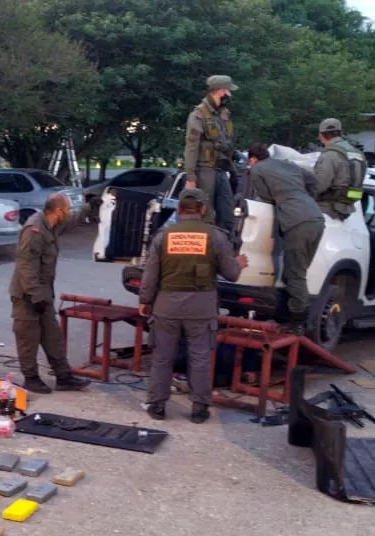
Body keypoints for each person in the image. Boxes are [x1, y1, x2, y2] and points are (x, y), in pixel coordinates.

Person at [138, 189, 248, 423]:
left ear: (178, 210)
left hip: (166, 307)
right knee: (199, 358)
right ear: (203, 209)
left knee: (162, 357)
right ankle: (199, 409)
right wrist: (238, 263)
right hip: (202, 309)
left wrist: (145, 301)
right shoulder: (216, 236)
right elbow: (231, 274)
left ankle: (157, 406)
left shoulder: (163, 236)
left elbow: (149, 276)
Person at [9, 193, 94, 394]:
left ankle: (63, 377)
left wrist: (89, 208)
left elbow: (70, 223)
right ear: (58, 211)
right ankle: (31, 378)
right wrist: (35, 295)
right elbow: (26, 265)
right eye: (67, 210)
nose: (68, 213)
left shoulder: (51, 224)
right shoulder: (34, 229)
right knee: (28, 338)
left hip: (43, 293)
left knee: (52, 336)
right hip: (27, 295)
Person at [245, 143, 325, 331]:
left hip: (296, 221)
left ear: (252, 159)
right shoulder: (287, 164)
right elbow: (314, 182)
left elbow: (265, 199)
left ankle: (298, 322)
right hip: (315, 217)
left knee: (294, 274)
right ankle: (293, 316)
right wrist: (304, 198)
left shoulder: (257, 169)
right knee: (299, 271)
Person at [183, 75, 238, 235]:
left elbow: (226, 143)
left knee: (227, 214)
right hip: (205, 170)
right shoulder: (198, 115)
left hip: (221, 169)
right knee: (206, 214)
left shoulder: (223, 114)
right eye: (228, 91)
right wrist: (191, 177)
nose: (229, 95)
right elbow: (191, 147)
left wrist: (233, 169)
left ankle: (225, 247)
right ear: (220, 91)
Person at [312, 118, 368, 220]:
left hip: (327, 211)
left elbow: (318, 186)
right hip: (348, 210)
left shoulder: (329, 155)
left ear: (321, 135)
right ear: (341, 133)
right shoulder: (358, 154)